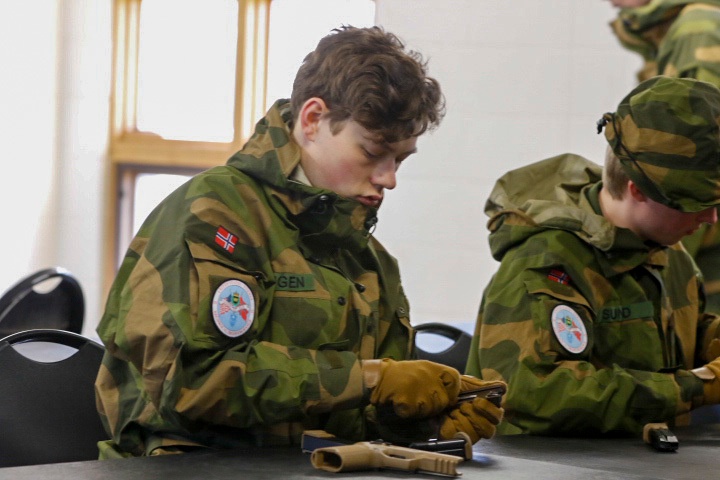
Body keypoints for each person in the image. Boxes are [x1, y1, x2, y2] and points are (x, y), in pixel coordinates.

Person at [94, 25, 505, 458]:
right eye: (371, 152)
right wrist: (370, 378)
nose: (389, 178)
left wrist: (424, 419)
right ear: (313, 120)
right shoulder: (215, 216)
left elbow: (353, 417)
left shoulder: (366, 259)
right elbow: (193, 382)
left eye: (399, 159)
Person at [465, 76, 720, 436]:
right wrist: (698, 386)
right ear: (638, 189)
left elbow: (686, 331)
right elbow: (534, 391)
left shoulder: (669, 254)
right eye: (696, 204)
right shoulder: (548, 261)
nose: (710, 219)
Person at [608, 0, 720, 312]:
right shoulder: (686, 26)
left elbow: (698, 163)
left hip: (700, 231)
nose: (612, 2)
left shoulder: (697, 30)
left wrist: (655, 259)